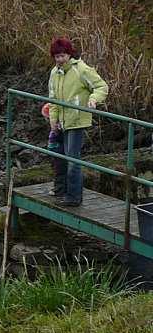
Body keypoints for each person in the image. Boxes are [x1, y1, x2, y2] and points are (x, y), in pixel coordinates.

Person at [47, 37, 109, 207]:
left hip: (77, 120)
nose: (59, 60)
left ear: (69, 54)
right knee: (57, 155)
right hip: (61, 121)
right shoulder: (55, 72)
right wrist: (53, 120)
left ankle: (74, 196)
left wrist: (94, 99)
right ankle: (60, 188)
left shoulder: (81, 70)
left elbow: (101, 86)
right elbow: (53, 98)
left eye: (62, 56)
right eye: (56, 56)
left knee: (73, 159)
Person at [41, 103, 67, 197]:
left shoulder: (58, 129)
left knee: (60, 170)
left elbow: (57, 139)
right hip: (56, 151)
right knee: (59, 170)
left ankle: (59, 190)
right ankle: (60, 188)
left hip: (58, 151)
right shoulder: (57, 128)